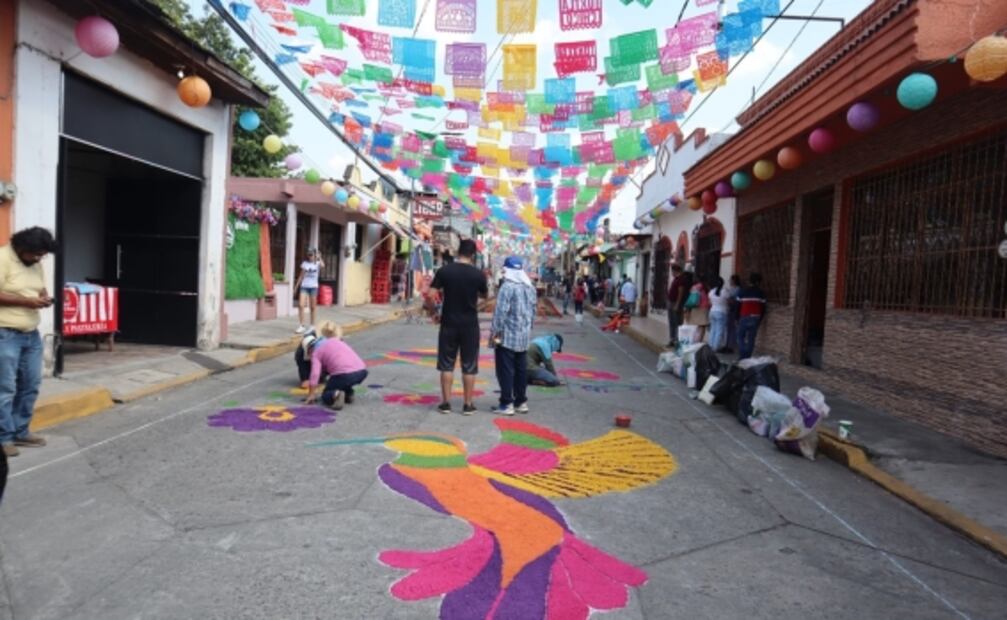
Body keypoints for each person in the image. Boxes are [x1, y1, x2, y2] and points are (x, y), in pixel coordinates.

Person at [0, 227, 57, 458]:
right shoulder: (3, 258)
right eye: (36, 254)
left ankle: (21, 431)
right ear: (22, 247)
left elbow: (39, 287)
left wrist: (43, 297)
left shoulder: (34, 263)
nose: (39, 259)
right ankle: (3, 438)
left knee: (30, 385)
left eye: (42, 255)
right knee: (5, 388)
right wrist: (28, 303)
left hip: (30, 333)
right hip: (5, 332)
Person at [430, 239, 488, 415]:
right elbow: (485, 296)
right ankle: (468, 404)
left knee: (447, 364)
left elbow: (431, 294)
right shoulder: (478, 275)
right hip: (470, 325)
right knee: (469, 365)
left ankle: (446, 403)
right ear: (473, 255)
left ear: (457, 251)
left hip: (448, 323)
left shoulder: (445, 271)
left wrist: (434, 312)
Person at [490, 256, 537, 416]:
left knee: (505, 371)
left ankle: (506, 403)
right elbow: (533, 312)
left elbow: (500, 312)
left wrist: (495, 332)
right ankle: (521, 402)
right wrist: (528, 329)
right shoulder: (530, 287)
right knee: (520, 370)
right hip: (523, 338)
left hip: (507, 337)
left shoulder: (507, 287)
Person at [304, 322, 368, 409]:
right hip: (362, 371)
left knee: (326, 394)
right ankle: (348, 394)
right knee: (339, 382)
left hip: (344, 374)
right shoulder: (336, 341)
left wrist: (311, 394)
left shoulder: (316, 352)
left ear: (310, 350)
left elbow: (315, 374)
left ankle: (336, 394)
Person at [736, 273, 768, 359]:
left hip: (744, 316)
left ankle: (743, 354)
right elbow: (763, 307)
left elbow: (737, 306)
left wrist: (736, 318)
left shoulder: (742, 291)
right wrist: (760, 318)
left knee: (740, 336)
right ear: (758, 282)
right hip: (756, 317)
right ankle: (747, 356)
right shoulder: (761, 293)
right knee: (751, 338)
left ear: (749, 281)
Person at [294, 248, 324, 334]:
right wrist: (296, 287)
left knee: (313, 307)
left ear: (315, 255)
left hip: (313, 287)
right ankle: (302, 325)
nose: (310, 256)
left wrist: (319, 257)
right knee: (300, 305)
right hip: (304, 286)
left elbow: (323, 266)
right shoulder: (305, 264)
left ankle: (312, 325)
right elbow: (301, 276)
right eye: (309, 255)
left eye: (311, 255)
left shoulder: (318, 263)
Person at [666, 264, 688, 348]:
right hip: (671, 302)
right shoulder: (676, 279)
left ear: (675, 271)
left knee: (677, 322)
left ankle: (676, 340)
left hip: (675, 303)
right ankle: (672, 339)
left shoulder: (681, 280)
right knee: (671, 322)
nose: (672, 273)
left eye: (672, 271)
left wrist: (677, 305)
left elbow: (680, 293)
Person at [684, 276, 711, 343]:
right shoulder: (706, 288)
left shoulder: (694, 287)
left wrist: (687, 310)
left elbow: (690, 298)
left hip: (695, 307)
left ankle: (694, 340)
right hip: (704, 308)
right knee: (702, 325)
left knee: (695, 325)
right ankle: (700, 340)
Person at [707, 276, 730, 352]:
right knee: (719, 330)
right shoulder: (725, 291)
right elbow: (729, 301)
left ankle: (710, 345)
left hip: (712, 311)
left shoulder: (711, 292)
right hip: (722, 312)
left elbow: (710, 302)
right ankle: (715, 347)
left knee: (713, 329)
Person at [725, 274, 742, 354]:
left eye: (731, 280)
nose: (729, 281)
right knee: (729, 328)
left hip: (734, 310)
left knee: (733, 328)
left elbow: (734, 300)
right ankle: (728, 345)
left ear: (734, 281)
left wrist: (729, 300)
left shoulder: (737, 289)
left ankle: (731, 345)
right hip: (729, 310)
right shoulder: (730, 289)